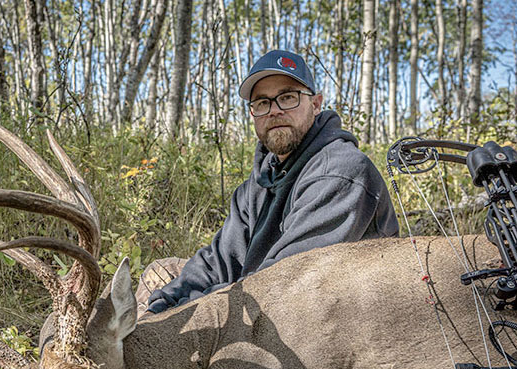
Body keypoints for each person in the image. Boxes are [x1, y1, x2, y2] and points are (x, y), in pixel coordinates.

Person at [140, 49, 399, 315]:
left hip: (334, 324)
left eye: (287, 97)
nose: (274, 111)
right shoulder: (258, 183)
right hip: (272, 300)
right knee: (156, 277)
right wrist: (165, 304)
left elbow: (284, 282)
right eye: (262, 103)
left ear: (316, 104)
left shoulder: (341, 172)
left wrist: (181, 314)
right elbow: (219, 262)